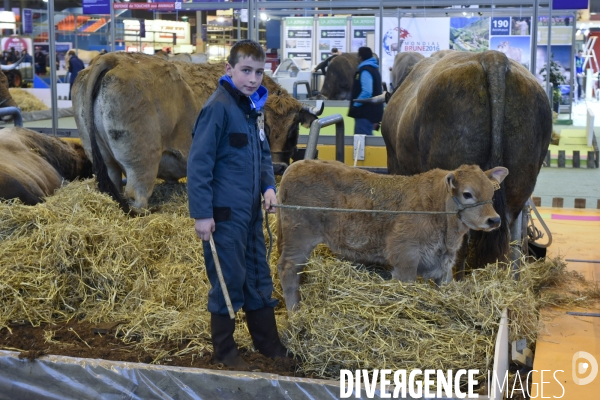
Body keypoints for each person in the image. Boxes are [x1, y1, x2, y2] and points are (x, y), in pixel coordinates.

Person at [187, 40, 289, 370]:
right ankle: (225, 351)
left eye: (259, 72)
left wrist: (269, 188)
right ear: (228, 70)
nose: (253, 78)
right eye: (246, 70)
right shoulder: (217, 109)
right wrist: (202, 214)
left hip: (249, 214)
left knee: (258, 274)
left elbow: (261, 155)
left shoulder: (252, 110)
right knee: (228, 278)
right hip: (223, 215)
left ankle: (268, 344)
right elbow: (198, 164)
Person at [348, 47, 384, 136]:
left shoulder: (365, 71)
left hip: (364, 114)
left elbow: (367, 92)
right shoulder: (374, 70)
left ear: (360, 57)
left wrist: (355, 104)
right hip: (371, 113)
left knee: (362, 144)